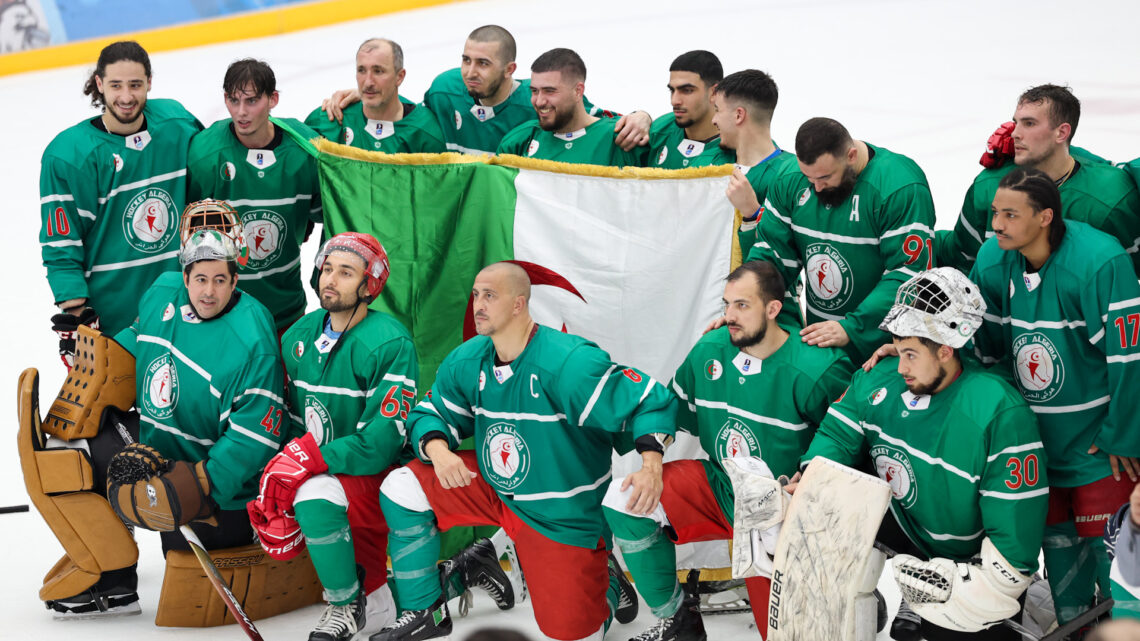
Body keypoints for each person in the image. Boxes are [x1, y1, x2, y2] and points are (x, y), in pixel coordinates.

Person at [373, 262, 676, 641]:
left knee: (573, 635)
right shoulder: (470, 359)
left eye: (490, 296)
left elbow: (650, 401)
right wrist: (439, 450)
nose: (478, 305)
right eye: (475, 295)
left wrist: (651, 466)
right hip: (497, 490)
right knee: (402, 486)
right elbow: (429, 411)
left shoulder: (568, 362)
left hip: (561, 514)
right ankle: (425, 611)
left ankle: (608, 584)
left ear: (519, 304)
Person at [603, 260, 853, 640]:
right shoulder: (711, 350)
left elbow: (849, 440)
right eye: (727, 305)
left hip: (781, 511)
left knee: (784, 633)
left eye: (742, 306)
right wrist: (651, 462)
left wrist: (810, 480)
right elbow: (667, 409)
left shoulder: (816, 367)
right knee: (627, 500)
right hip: (721, 487)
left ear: (772, 309)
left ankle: (829, 594)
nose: (730, 316)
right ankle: (679, 621)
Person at [801, 267, 1048, 641]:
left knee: (951, 629)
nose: (900, 367)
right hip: (907, 526)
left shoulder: (997, 410)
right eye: (898, 350)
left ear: (946, 349)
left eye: (911, 354)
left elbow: (1017, 525)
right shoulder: (881, 376)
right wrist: (809, 482)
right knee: (823, 504)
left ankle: (1022, 613)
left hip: (967, 558)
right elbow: (837, 433)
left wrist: (990, 583)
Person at [90, 215, 286, 616]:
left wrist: (202, 482)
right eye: (200, 279)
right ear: (184, 277)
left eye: (219, 280)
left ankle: (246, 533)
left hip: (215, 485)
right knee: (75, 455)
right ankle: (112, 577)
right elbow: (134, 342)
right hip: (157, 449)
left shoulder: (253, 339)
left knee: (189, 589)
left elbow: (256, 435)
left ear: (235, 281)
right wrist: (96, 362)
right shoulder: (161, 293)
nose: (209, 292)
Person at [970, 167, 1140, 626]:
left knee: (1125, 589)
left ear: (1045, 216)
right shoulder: (992, 260)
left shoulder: (1099, 262)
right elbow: (984, 352)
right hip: (1038, 450)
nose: (997, 224)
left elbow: (1130, 358)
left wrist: (1125, 436)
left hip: (1099, 453)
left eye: (1010, 214)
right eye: (995, 213)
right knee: (1068, 593)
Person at [41, 40, 202, 356]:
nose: (126, 97)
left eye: (135, 85)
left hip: (183, 313)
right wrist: (76, 316)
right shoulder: (70, 156)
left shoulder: (178, 125)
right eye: (115, 85)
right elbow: (62, 245)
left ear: (149, 83)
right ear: (99, 84)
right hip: (111, 326)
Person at [745, 117, 936, 364]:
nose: (817, 188)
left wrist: (852, 327)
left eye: (825, 177)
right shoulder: (790, 179)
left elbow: (909, 274)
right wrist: (746, 302)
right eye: (808, 178)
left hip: (889, 351)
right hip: (821, 344)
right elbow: (772, 254)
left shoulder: (900, 186)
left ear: (852, 156)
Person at [318, 25, 650, 156]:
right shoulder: (446, 88)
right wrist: (373, 91)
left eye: (483, 64)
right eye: (466, 60)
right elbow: (413, 115)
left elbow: (594, 120)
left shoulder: (536, 101)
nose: (470, 72)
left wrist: (641, 116)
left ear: (509, 71)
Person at [938, 84, 1140, 275]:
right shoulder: (989, 185)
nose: (1015, 134)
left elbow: (1128, 280)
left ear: (1062, 132)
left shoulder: (1110, 200)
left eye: (1029, 123)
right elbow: (962, 260)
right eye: (1016, 123)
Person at [186, 58, 322, 333]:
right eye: (233, 101)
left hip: (287, 309)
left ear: (273, 99)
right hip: (224, 312)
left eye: (251, 101)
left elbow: (322, 217)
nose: (241, 112)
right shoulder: (206, 154)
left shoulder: (304, 151)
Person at [496, 48, 649, 167]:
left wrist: (645, 116)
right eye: (534, 91)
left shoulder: (622, 137)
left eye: (550, 91)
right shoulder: (520, 140)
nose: (539, 101)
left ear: (578, 91)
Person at [711, 69, 800, 260]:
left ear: (738, 115)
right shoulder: (710, 161)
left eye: (717, 110)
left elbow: (791, 259)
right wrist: (642, 116)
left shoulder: (792, 175)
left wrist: (753, 213)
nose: (713, 119)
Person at [305, 38, 446, 154]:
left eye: (378, 71)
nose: (368, 82)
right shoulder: (329, 120)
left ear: (400, 76)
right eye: (361, 70)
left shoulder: (426, 134)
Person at [647, 50, 733, 169]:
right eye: (672, 90)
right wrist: (640, 115)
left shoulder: (740, 146)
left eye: (687, 90)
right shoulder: (658, 130)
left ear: (714, 92)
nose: (674, 101)